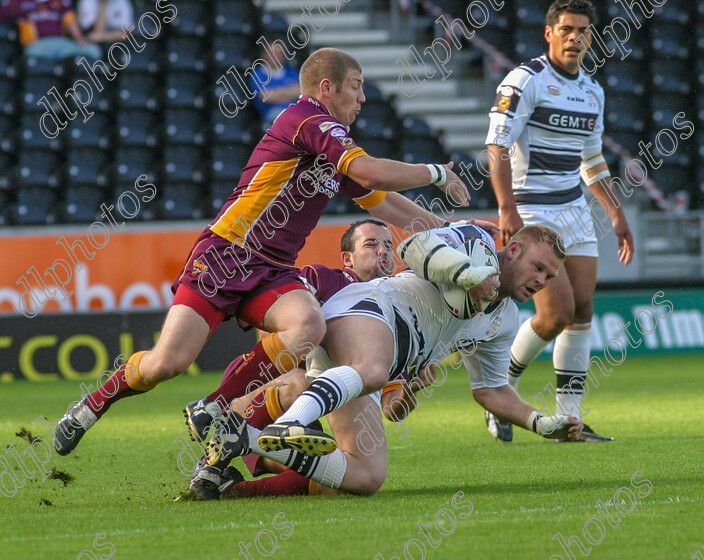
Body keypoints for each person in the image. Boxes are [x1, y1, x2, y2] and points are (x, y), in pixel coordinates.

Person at [52, 47, 473, 457]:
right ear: (327, 87)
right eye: (356, 86)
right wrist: (435, 173)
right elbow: (370, 171)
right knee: (166, 364)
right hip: (226, 256)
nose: (362, 97)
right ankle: (92, 404)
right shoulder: (306, 117)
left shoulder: (332, 148)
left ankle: (214, 406)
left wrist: (451, 231)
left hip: (273, 270)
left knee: (308, 325)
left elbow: (381, 201)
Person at [194, 223, 582, 498]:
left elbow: (492, 391)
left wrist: (541, 422)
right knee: (367, 372)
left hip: (375, 360)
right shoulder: (475, 239)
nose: (541, 282)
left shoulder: (505, 320)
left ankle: (236, 465)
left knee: (367, 476)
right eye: (538, 267)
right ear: (513, 250)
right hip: (372, 309)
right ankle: (284, 423)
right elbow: (412, 246)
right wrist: (469, 274)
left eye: (549, 277)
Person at [483, 0, 634, 443]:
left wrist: (615, 212)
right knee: (557, 312)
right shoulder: (524, 80)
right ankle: (500, 394)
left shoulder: (592, 90)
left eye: (583, 31)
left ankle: (571, 419)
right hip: (532, 209)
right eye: (566, 29)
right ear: (548, 34)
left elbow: (592, 159)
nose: (575, 37)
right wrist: (507, 207)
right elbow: (496, 145)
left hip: (574, 211)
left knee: (583, 309)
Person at [0, 0, 101, 60]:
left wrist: (80, 40)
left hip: (61, 43)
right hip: (37, 44)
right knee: (34, 56)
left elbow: (70, 20)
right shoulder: (20, 2)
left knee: (92, 51)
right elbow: (4, 14)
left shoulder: (59, 2)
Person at [251, 39, 301, 125]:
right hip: (272, 114)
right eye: (272, 54)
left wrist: (276, 92)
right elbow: (266, 97)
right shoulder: (258, 74)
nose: (277, 57)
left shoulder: (292, 72)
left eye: (279, 54)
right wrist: (290, 91)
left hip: (295, 111)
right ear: (264, 55)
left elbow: (301, 93)